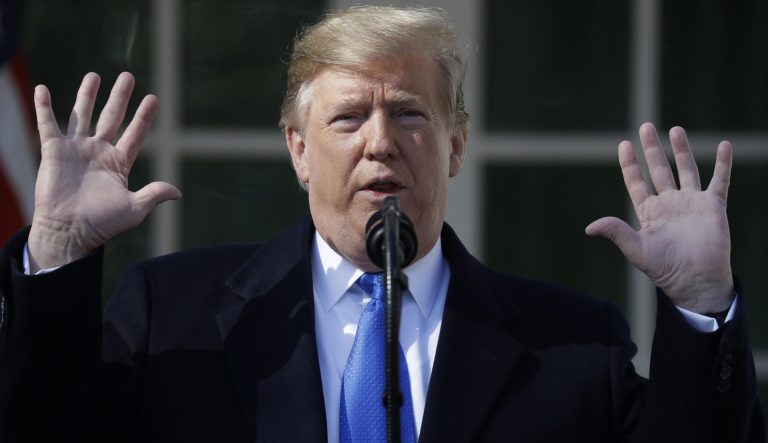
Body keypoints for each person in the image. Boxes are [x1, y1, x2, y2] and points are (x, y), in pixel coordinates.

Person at [0, 5, 763, 443]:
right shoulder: (174, 316)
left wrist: (700, 304)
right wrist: (58, 256)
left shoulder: (573, 348)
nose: (380, 141)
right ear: (298, 150)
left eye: (408, 113)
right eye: (346, 117)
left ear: (457, 144)